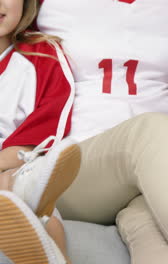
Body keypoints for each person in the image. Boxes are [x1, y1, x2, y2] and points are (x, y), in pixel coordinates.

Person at [1, 0, 168, 263]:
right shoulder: (48, 4)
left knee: (158, 238)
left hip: (161, 166)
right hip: (78, 167)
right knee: (154, 128)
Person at [0, 0, 78, 262]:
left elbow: (46, 128)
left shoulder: (42, 53)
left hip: (16, 163)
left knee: (44, 216)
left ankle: (28, 196)